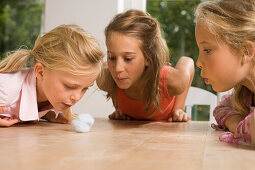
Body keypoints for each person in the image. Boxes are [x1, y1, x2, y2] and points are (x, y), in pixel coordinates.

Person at [97, 9, 194, 122]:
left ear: (148, 58)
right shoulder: (106, 78)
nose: (117, 68)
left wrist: (178, 108)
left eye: (128, 58)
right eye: (112, 57)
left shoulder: (173, 81)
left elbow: (188, 61)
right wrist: (119, 110)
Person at [0, 24, 103, 127]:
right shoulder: (5, 89)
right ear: (40, 72)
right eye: (70, 86)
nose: (76, 97)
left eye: (85, 88)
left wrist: (47, 114)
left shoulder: (50, 94)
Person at [195, 0, 255, 146]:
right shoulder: (246, 94)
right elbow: (222, 108)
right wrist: (237, 122)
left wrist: (237, 125)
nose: (198, 62)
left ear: (246, 51)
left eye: (207, 50)